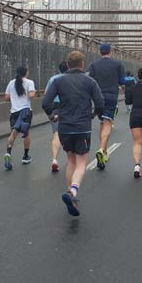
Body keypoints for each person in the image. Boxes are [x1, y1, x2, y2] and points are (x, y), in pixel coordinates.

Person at [43, 51, 104, 217]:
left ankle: (71, 194)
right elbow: (100, 103)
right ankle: (73, 192)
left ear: (68, 65)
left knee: (70, 160)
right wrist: (92, 115)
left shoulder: (58, 81)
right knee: (82, 162)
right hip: (82, 127)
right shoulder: (90, 81)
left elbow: (46, 102)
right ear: (82, 64)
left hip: (64, 127)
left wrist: (52, 115)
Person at [87, 43, 125, 170]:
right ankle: (102, 149)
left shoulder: (93, 65)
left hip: (97, 96)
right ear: (111, 51)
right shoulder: (117, 64)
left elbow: (89, 81)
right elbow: (122, 82)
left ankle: (104, 153)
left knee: (102, 122)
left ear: (100, 52)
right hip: (111, 96)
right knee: (108, 122)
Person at [4, 66, 36, 170]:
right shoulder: (29, 82)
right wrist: (30, 93)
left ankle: (8, 153)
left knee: (13, 133)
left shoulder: (11, 82)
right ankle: (26, 156)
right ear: (26, 72)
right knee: (26, 133)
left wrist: (14, 98)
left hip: (14, 112)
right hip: (25, 111)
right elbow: (31, 95)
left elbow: (6, 98)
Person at [45, 60, 68, 172]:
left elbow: (47, 95)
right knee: (70, 132)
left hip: (54, 106)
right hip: (67, 106)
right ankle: (72, 160)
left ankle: (54, 159)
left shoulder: (52, 79)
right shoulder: (71, 79)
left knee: (57, 134)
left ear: (59, 69)